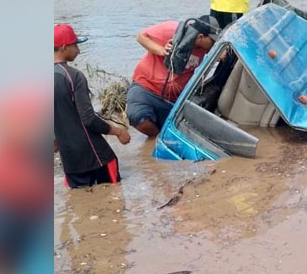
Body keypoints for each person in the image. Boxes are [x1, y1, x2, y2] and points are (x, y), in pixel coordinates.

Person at [53, 24, 130, 188]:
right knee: (114, 194)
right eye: (75, 45)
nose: (79, 51)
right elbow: (88, 119)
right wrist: (118, 131)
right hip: (95, 156)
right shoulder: (74, 76)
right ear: (64, 48)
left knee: (80, 199)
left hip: (69, 162)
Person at [126, 16, 218, 137]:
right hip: (146, 87)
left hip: (174, 98)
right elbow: (140, 36)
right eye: (213, 41)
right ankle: (156, 138)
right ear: (201, 37)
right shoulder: (171, 30)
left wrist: (220, 54)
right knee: (139, 118)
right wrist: (161, 50)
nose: (215, 44)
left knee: (189, 131)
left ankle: (161, 138)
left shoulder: (206, 48)